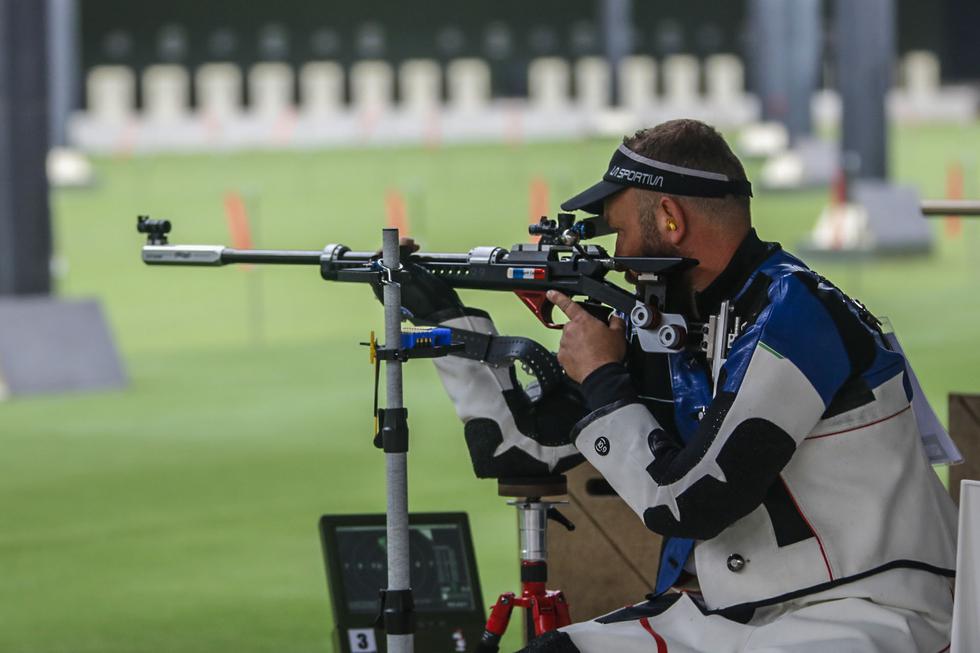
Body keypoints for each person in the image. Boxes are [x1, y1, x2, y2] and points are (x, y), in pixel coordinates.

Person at [394, 119, 957, 653]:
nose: (616, 258)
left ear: (669, 217)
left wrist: (605, 378)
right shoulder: (689, 321)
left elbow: (692, 504)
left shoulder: (793, 315)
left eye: (619, 231)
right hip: (744, 617)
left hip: (870, 613)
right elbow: (520, 449)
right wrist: (449, 322)